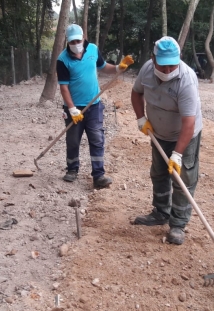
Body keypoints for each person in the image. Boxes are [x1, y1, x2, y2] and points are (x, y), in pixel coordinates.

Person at [130, 37, 203, 245]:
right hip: (159, 133)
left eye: (173, 64)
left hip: (184, 135)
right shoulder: (146, 70)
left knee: (183, 179)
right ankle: (161, 212)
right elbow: (136, 93)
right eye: (164, 64)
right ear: (153, 59)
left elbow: (188, 123)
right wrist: (141, 118)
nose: (169, 69)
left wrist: (178, 154)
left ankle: (178, 224)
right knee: (159, 173)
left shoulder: (186, 80)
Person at [57, 24, 133, 188]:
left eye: (78, 40)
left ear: (83, 37)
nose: (75, 44)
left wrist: (119, 68)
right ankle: (72, 169)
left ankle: (98, 176)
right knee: (73, 140)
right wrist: (72, 109)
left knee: (97, 140)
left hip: (94, 106)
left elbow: (104, 67)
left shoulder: (92, 49)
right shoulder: (62, 60)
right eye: (72, 41)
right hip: (74, 108)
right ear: (67, 42)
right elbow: (63, 87)